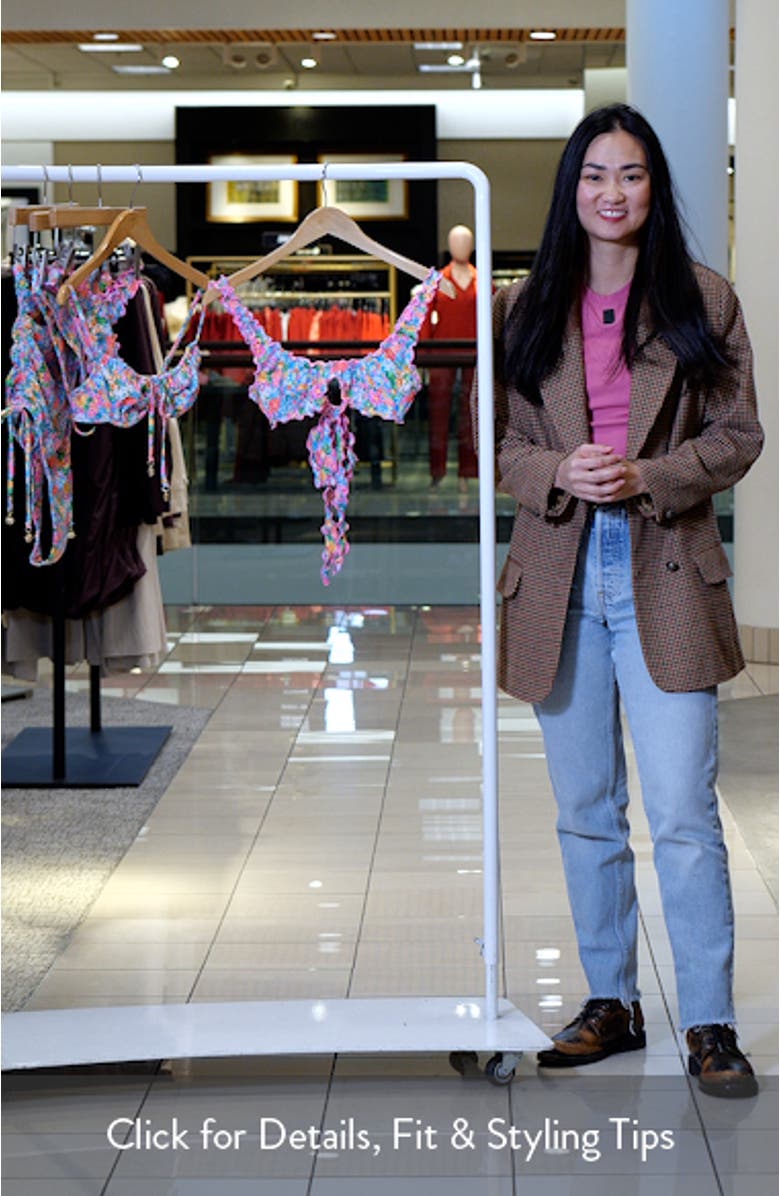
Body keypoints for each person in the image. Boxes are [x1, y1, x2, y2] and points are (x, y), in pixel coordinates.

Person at [483, 104, 764, 1098]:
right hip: (558, 571)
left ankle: (711, 1019)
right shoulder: (527, 306)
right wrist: (564, 465)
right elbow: (503, 447)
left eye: (633, 175)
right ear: (572, 188)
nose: (614, 192)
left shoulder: (702, 299)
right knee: (585, 809)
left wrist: (647, 475)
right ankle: (612, 999)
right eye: (597, 174)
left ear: (655, 187)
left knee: (683, 807)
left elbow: (739, 437)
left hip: (666, 564)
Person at [424, 224, 478, 494]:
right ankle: (437, 470)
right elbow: (425, 320)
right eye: (456, 242)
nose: (461, 247)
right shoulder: (437, 281)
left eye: (465, 242)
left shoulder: (482, 281)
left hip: (474, 355)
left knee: (472, 413)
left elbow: (490, 320)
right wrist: (422, 356)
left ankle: (468, 471)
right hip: (441, 354)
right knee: (438, 413)